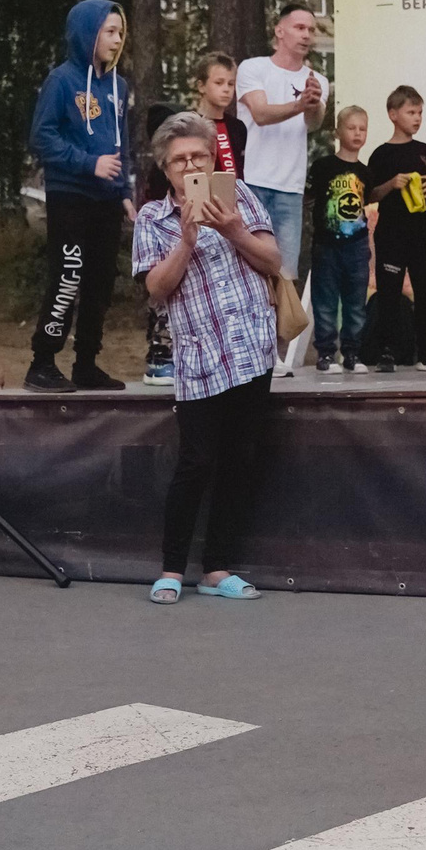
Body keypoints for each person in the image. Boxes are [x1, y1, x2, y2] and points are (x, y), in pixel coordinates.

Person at [134, 111, 281, 605]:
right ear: (166, 168)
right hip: (199, 357)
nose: (190, 165)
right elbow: (155, 290)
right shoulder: (153, 219)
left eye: (198, 155)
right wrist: (187, 240)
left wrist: (235, 230)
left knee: (240, 460)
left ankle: (217, 569)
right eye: (180, 160)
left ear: (213, 155)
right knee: (196, 462)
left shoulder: (239, 197)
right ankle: (172, 569)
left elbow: (273, 262)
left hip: (250, 347)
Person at [26, 0, 133, 394]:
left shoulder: (119, 86)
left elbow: (123, 145)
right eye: (109, 31)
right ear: (86, 33)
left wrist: (124, 192)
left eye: (120, 32)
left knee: (100, 282)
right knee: (68, 277)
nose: (117, 39)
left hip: (107, 200)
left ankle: (86, 363)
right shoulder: (62, 81)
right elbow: (42, 136)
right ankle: (42, 362)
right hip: (70, 194)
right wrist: (89, 164)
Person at [236, 5, 328, 368]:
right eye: (300, 27)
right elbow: (260, 113)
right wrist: (299, 102)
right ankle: (247, 348)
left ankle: (271, 355)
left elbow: (314, 123)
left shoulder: (315, 77)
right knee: (250, 269)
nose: (307, 35)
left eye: (312, 29)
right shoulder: (253, 68)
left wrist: (315, 102)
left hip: (290, 186)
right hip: (254, 182)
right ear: (280, 32)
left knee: (284, 272)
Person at [365, 85, 426, 374]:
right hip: (392, 233)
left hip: (423, 230)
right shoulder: (381, 154)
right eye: (411, 112)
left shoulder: (423, 150)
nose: (417, 118)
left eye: (420, 112)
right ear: (393, 114)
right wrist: (390, 184)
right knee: (389, 291)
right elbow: (369, 195)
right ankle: (387, 350)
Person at [305, 105, 374, 374]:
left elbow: (366, 201)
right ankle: (325, 354)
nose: (357, 133)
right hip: (326, 245)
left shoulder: (366, 173)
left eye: (362, 128)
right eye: (351, 127)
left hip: (356, 245)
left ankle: (352, 354)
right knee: (325, 302)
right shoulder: (323, 166)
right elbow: (309, 198)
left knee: (356, 303)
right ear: (337, 131)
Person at [136, 103, 186, 389]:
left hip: (185, 240)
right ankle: (159, 359)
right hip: (163, 241)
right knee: (160, 305)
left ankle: (170, 355)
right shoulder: (161, 171)